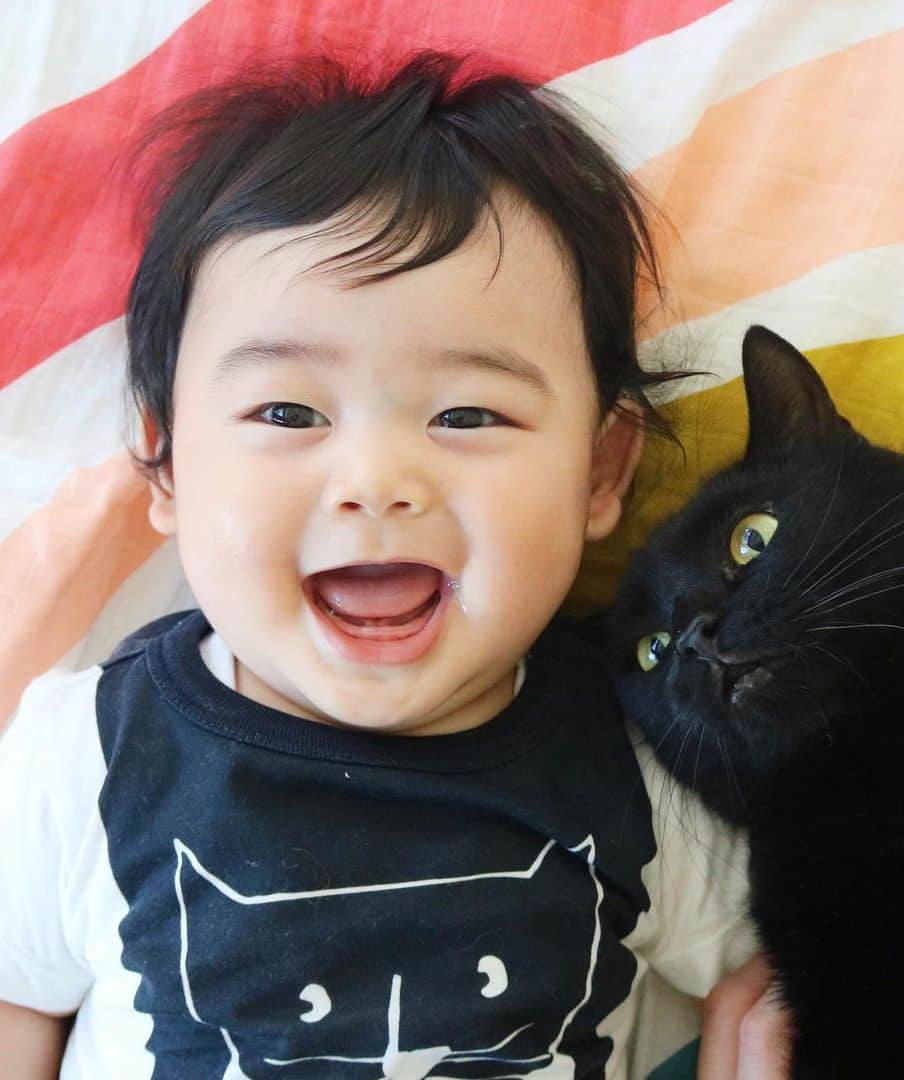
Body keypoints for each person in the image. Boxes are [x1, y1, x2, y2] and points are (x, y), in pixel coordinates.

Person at [0, 50, 787, 1078]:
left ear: (602, 471)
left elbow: (800, 965)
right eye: (286, 411)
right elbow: (18, 1001)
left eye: (468, 413)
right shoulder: (87, 757)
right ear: (168, 462)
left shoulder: (642, 772)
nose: (375, 479)